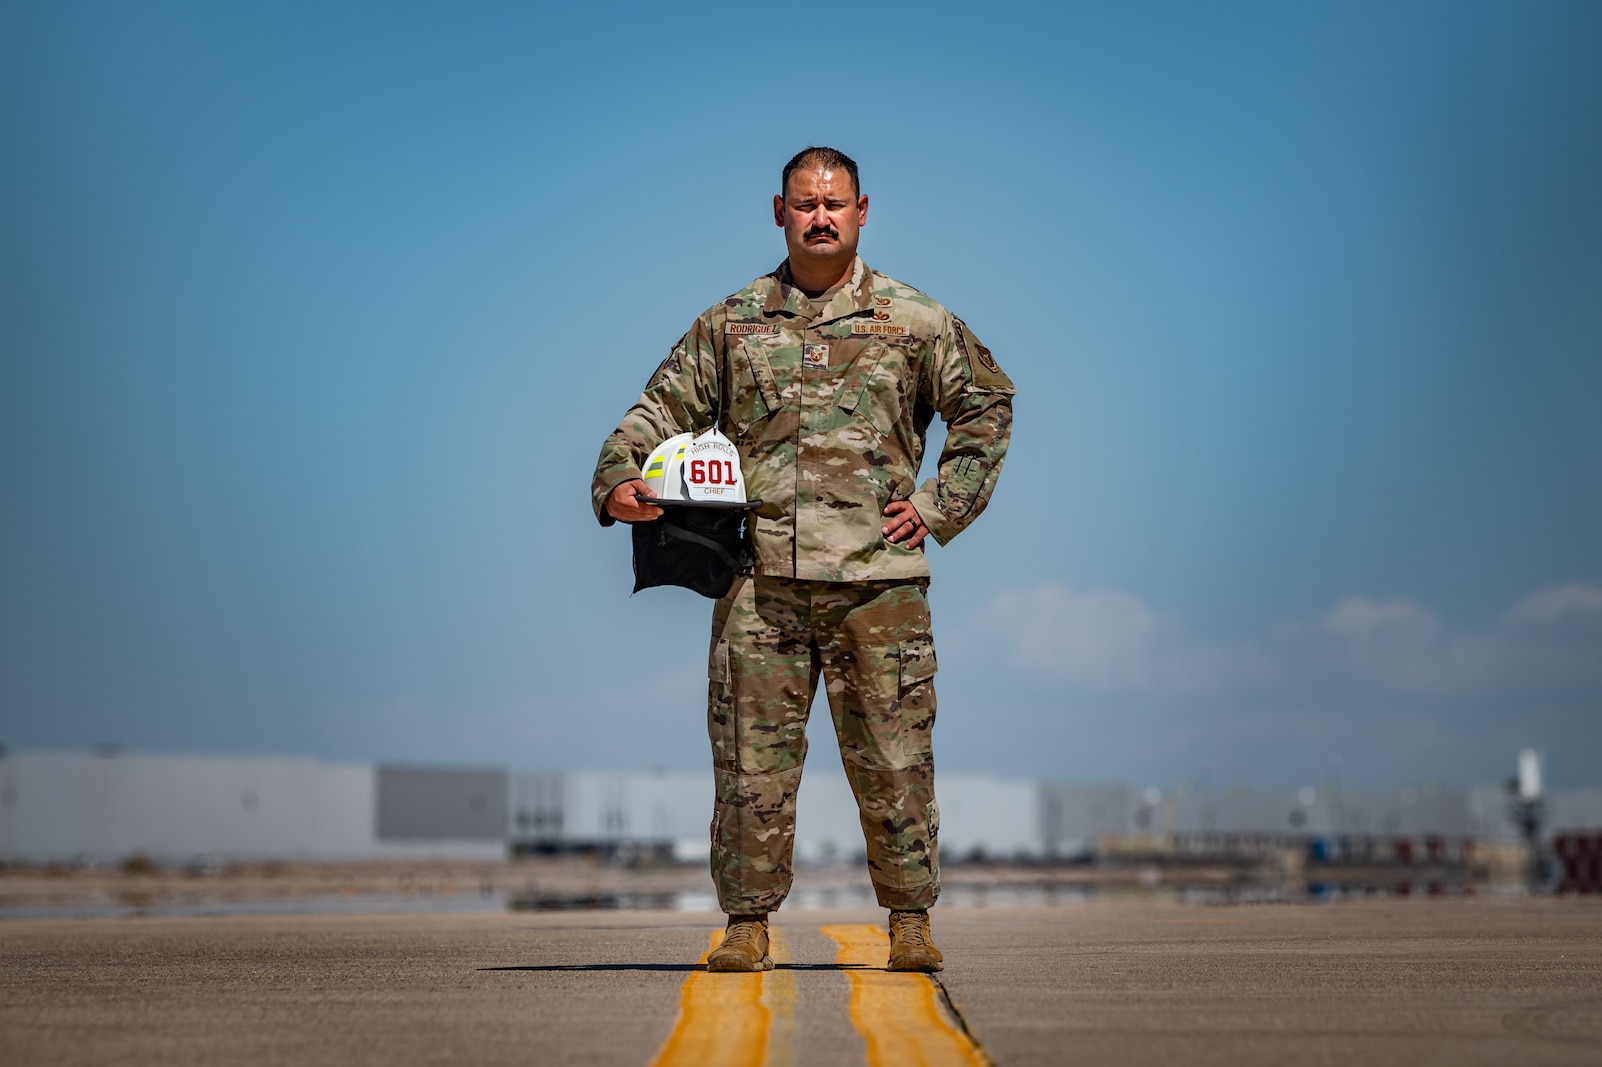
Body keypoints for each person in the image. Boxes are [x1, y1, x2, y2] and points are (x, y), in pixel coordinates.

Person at [591, 146, 1014, 972]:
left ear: (862, 212)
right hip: (761, 587)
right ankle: (747, 926)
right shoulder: (732, 323)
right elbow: (656, 409)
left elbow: (987, 405)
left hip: (877, 588)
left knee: (896, 761)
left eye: (835, 203)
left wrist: (938, 506)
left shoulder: (913, 320)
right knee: (752, 768)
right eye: (805, 202)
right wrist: (617, 478)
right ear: (778, 212)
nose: (821, 216)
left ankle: (911, 922)